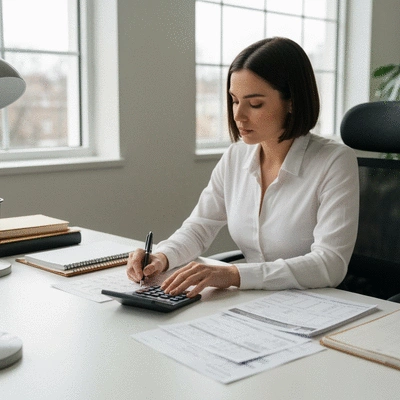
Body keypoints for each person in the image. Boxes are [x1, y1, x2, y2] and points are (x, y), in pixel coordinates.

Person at [127, 37, 359, 299]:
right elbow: (199, 227)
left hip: (314, 304)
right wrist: (161, 257)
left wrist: (235, 275)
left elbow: (330, 264)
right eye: (235, 100)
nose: (238, 115)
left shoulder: (335, 161)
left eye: (255, 104)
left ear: (292, 101)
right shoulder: (236, 156)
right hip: (252, 301)